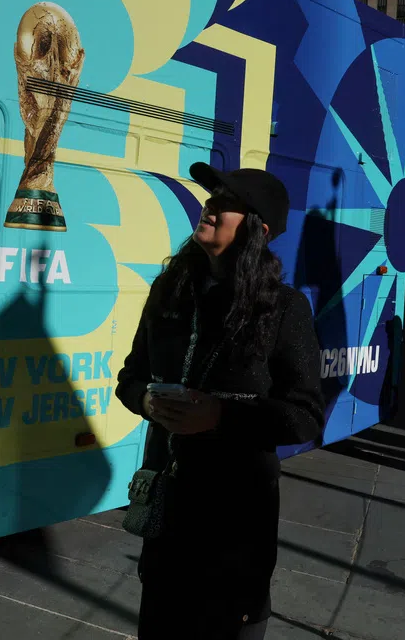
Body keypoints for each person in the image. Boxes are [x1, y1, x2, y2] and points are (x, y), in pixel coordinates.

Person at [115, 163, 326, 640]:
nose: (209, 206)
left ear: (258, 228)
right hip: (167, 517)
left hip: (236, 526)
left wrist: (220, 416)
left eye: (225, 201)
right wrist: (147, 402)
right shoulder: (169, 292)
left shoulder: (284, 308)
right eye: (211, 198)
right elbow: (131, 378)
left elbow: (305, 416)